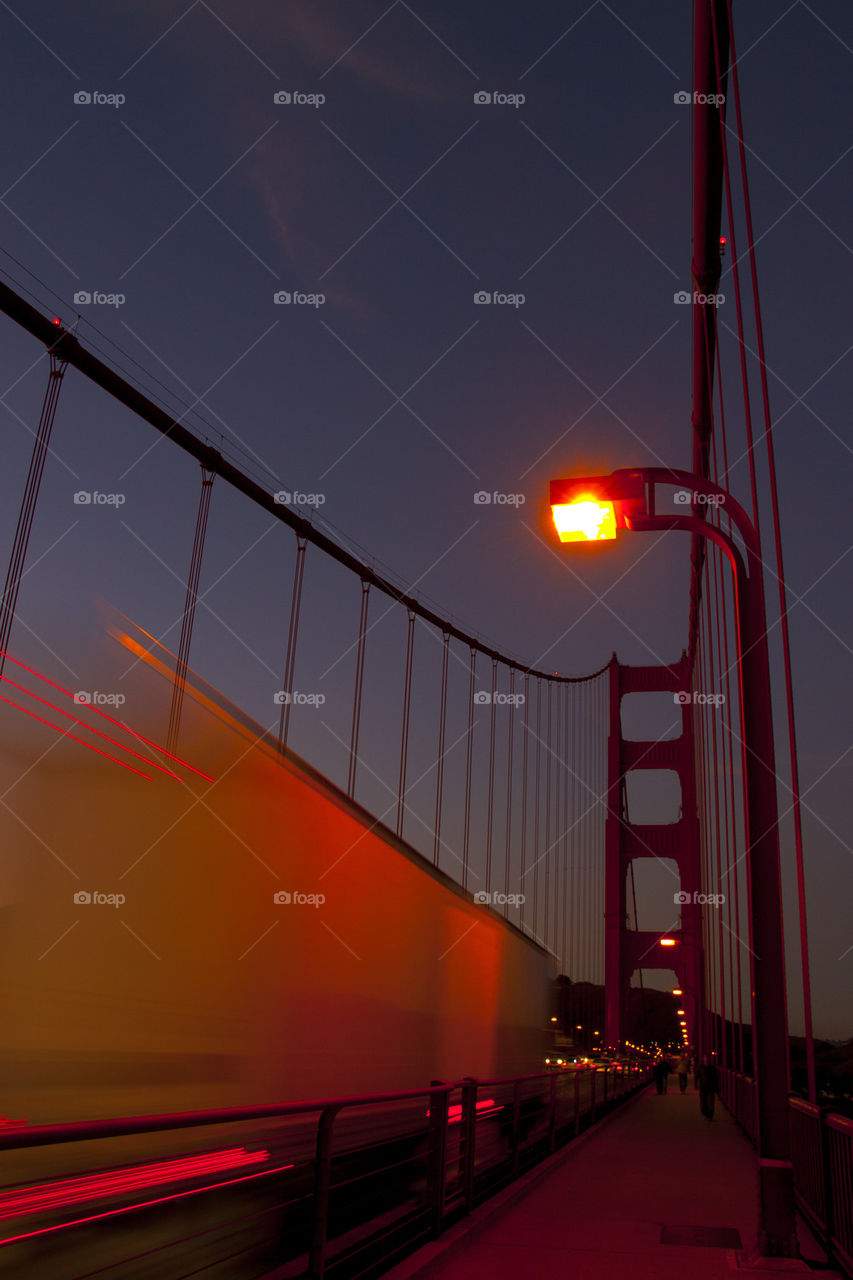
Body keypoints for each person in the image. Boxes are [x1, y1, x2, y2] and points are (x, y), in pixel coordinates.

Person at [697, 1055, 719, 1120]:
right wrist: (697, 1085)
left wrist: (716, 1087)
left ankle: (710, 1116)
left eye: (707, 1059)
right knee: (703, 1103)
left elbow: (715, 1078)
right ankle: (705, 1114)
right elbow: (697, 1076)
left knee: (710, 1102)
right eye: (705, 1059)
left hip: (710, 1087)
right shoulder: (701, 1067)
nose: (706, 1060)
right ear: (703, 1059)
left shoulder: (712, 1068)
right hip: (703, 1087)